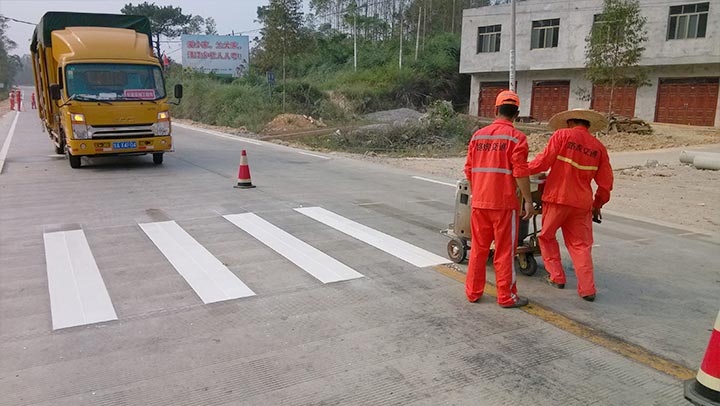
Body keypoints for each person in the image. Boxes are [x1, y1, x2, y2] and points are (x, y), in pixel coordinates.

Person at [528, 109, 613, 302]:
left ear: (569, 122)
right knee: (581, 246)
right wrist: (597, 204)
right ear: (587, 126)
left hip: (557, 198)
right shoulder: (598, 147)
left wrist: (520, 169)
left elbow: (542, 163)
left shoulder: (562, 136)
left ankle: (557, 277)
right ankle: (588, 289)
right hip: (582, 204)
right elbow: (605, 184)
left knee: (546, 236)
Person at [464, 90, 535, 308]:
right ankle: (506, 296)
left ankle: (473, 292)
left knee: (478, 249)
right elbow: (521, 173)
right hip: (504, 205)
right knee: (504, 251)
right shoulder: (517, 138)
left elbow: (469, 170)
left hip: (480, 203)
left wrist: (481, 191)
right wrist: (529, 201)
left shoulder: (478, 136)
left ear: (496, 110)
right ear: (517, 114)